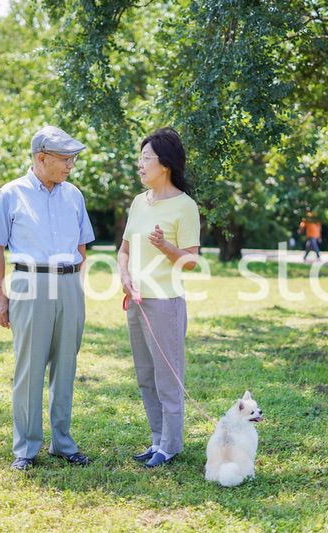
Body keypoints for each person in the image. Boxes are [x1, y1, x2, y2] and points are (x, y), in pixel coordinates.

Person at [0, 126, 95, 471]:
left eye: (73, 159)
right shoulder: (10, 193)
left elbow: (82, 247)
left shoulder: (74, 195)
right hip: (29, 284)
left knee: (66, 367)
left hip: (69, 285)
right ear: (41, 158)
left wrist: (75, 287)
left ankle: (62, 443)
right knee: (29, 368)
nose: (71, 165)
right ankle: (26, 448)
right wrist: (0, 297)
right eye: (65, 159)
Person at [118, 127, 200, 468]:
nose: (140, 164)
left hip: (165, 304)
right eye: (140, 158)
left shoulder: (185, 206)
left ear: (164, 164)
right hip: (136, 302)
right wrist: (124, 277)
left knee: (168, 378)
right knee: (145, 375)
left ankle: (171, 445)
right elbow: (123, 250)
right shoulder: (139, 202)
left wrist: (164, 245)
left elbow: (191, 261)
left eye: (146, 158)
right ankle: (156, 441)